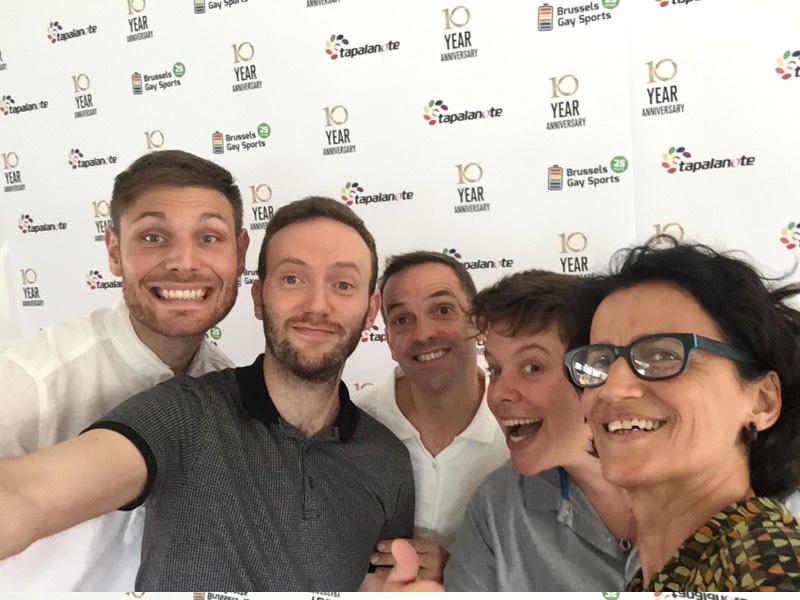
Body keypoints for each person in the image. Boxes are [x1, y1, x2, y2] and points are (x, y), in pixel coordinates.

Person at [0, 196, 415, 591]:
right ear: (259, 298)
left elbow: (378, 582)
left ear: (370, 310)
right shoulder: (183, 411)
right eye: (293, 279)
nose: (317, 305)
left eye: (343, 284)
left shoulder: (388, 460)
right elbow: (24, 497)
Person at [0, 149, 249, 590]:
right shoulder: (30, 380)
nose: (184, 262)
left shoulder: (231, 393)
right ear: (115, 251)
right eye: (153, 237)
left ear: (241, 254)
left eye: (209, 238)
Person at [563, 236, 800, 591]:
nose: (612, 388)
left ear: (762, 400)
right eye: (599, 361)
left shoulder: (767, 560)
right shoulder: (666, 574)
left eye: (663, 356)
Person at [443, 269, 639, 590]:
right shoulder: (498, 506)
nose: (497, 392)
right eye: (495, 369)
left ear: (594, 373)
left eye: (532, 367)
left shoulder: (704, 486)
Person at [355, 251, 508, 581]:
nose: (423, 333)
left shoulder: (520, 435)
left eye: (443, 310)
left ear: (478, 323)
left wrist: (462, 571)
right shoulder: (349, 427)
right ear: (389, 341)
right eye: (402, 320)